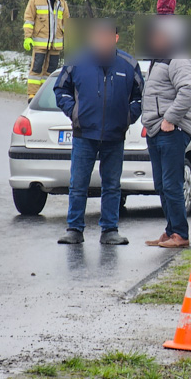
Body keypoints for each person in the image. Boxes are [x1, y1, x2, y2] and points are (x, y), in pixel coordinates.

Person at [54, 20, 144, 245]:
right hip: (84, 135)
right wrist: (74, 112)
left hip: (115, 136)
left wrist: (127, 117)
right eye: (98, 36)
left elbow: (141, 96)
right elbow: (60, 89)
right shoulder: (77, 61)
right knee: (78, 184)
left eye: (107, 37)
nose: (102, 41)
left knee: (112, 185)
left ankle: (109, 230)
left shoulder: (128, 64)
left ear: (115, 38)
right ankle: (74, 228)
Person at [142, 0, 191, 248]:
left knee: (171, 185)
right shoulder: (158, 57)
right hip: (156, 131)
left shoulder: (178, 56)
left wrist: (169, 119)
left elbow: (189, 91)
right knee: (161, 185)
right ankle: (170, 229)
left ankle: (181, 235)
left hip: (171, 131)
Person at [24, 0, 69, 100]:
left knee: (50, 71)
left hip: (56, 45)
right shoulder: (35, 0)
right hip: (39, 44)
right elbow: (29, 20)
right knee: (36, 70)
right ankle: (32, 95)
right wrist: (28, 37)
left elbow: (66, 23)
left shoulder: (62, 2)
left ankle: (45, 95)